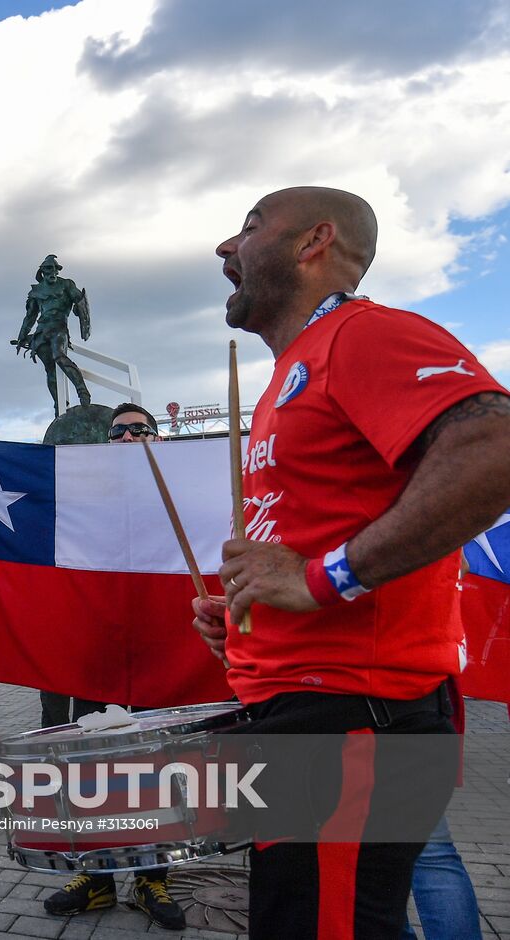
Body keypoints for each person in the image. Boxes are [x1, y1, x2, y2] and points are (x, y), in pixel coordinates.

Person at [191, 186, 510, 939]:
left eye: (249, 226)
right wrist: (248, 618)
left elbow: (494, 447)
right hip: (312, 721)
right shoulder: (291, 372)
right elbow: (309, 537)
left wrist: (317, 580)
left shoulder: (360, 335)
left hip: (354, 725)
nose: (225, 249)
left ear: (314, 243)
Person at [0, 403, 185, 930]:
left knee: (156, 767)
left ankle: (154, 876)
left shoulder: (182, 488)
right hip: (92, 658)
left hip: (158, 654)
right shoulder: (83, 493)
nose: (130, 436)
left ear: (158, 437)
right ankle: (98, 877)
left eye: (141, 429)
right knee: (93, 768)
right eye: (119, 430)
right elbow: (26, 496)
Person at [13, 254, 92, 416]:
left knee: (59, 356)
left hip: (59, 328)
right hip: (42, 332)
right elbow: (30, 317)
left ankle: (82, 391)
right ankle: (59, 404)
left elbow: (80, 302)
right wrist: (22, 336)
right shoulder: (36, 292)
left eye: (56, 268)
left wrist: (79, 308)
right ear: (42, 271)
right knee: (50, 370)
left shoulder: (66, 285)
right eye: (49, 268)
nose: (53, 271)